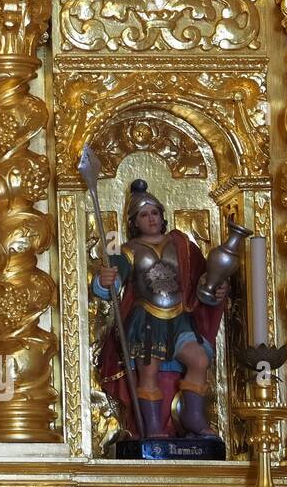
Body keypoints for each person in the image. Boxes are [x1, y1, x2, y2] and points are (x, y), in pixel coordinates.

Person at [94, 180, 226, 439]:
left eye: (154, 212)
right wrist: (104, 281)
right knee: (149, 371)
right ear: (135, 222)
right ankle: (152, 427)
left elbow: (202, 278)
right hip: (146, 319)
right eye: (144, 214)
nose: (151, 219)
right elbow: (114, 281)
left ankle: (194, 417)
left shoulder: (182, 245)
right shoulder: (129, 251)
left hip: (180, 317)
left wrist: (217, 288)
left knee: (199, 360)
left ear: (162, 215)